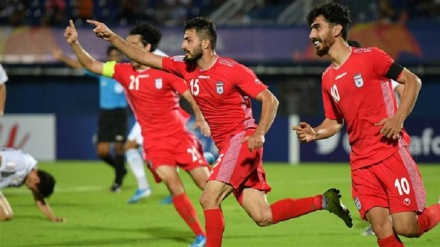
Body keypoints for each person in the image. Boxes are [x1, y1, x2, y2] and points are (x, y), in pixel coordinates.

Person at [87, 16, 353, 247]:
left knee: (208, 197)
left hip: (243, 139)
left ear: (205, 43)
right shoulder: (184, 67)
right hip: (228, 147)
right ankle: (324, 202)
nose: (182, 45)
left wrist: (259, 133)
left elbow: (270, 100)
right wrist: (111, 37)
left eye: (188, 40)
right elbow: (143, 56)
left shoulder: (232, 70)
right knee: (263, 216)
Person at [293, 3, 440, 247]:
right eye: (311, 29)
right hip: (361, 166)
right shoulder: (328, 78)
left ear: (337, 29)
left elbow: (412, 81)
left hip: (390, 154)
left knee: (407, 227)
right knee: (382, 230)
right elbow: (334, 121)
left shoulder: (371, 57)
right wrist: (316, 132)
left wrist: (398, 118)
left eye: (317, 28)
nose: (311, 35)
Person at [63, 20, 212, 247]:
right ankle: (200, 235)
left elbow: (190, 96)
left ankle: (223, 174)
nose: (125, 48)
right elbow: (92, 65)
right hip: (153, 142)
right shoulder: (122, 71)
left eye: (132, 44)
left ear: (148, 48)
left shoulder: (165, 70)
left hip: (179, 138)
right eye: (126, 43)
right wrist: (75, 44)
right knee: (173, 184)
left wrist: (200, 118)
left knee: (207, 186)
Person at [52, 46, 128, 193]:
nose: (114, 58)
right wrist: (62, 58)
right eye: (111, 55)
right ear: (108, 57)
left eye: (116, 55)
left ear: (120, 57)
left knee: (119, 147)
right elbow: (81, 65)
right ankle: (120, 169)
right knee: (102, 151)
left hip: (120, 113)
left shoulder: (125, 71)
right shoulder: (103, 71)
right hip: (105, 114)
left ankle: (118, 182)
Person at [0, 148, 64, 222]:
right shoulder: (21, 163)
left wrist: (53, 218)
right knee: (3, 214)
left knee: (8, 215)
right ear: (36, 180)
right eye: (32, 188)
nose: (30, 189)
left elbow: (40, 201)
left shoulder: (29, 171)